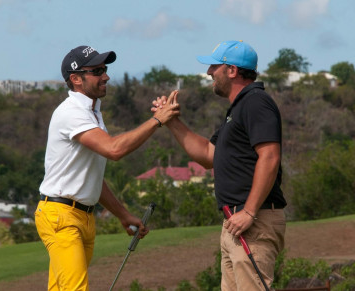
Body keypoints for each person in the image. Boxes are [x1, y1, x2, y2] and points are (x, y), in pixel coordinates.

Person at [35, 45, 179, 291]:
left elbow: (91, 179)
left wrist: (123, 215)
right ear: (76, 79)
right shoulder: (72, 113)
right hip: (62, 216)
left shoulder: (91, 113)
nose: (106, 75)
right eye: (97, 71)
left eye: (105, 69)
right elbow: (114, 150)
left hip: (81, 216)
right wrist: (157, 120)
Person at [153, 40, 286, 290]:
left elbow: (270, 156)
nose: (209, 73)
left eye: (215, 66)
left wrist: (248, 212)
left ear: (232, 70)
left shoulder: (255, 101)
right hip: (236, 223)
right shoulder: (237, 110)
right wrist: (171, 121)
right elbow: (206, 154)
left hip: (252, 221)